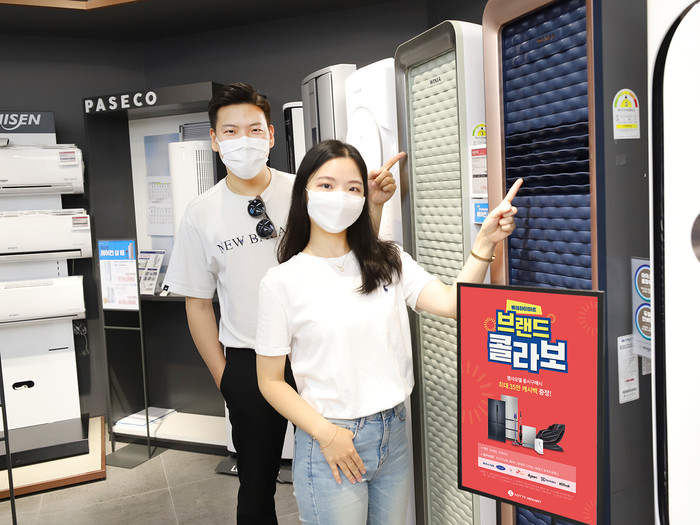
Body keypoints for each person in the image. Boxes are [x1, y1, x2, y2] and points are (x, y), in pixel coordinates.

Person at [163, 84, 400, 524]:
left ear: (271, 135)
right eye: (230, 131)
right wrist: (224, 377)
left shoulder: (307, 190)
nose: (243, 139)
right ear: (214, 140)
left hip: (318, 353)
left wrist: (374, 204)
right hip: (249, 359)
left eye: (254, 129)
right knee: (256, 485)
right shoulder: (201, 213)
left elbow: (354, 249)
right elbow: (197, 304)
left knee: (336, 466)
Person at [255, 140, 522, 525]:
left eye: (353, 188)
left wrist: (484, 242)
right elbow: (270, 381)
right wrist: (327, 435)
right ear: (304, 193)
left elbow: (452, 303)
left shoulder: (388, 260)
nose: (340, 196)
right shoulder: (281, 281)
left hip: (393, 430)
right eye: (326, 185)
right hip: (331, 438)